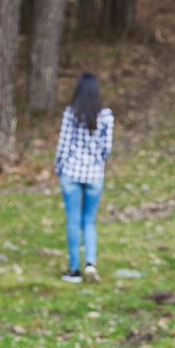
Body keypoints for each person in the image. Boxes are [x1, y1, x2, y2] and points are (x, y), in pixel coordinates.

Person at [55, 73, 114, 283]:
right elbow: (107, 149)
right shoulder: (106, 116)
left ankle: (74, 270)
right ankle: (90, 263)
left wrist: (58, 168)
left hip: (71, 172)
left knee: (73, 220)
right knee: (89, 221)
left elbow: (63, 145)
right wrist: (97, 161)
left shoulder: (71, 114)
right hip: (94, 175)